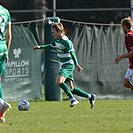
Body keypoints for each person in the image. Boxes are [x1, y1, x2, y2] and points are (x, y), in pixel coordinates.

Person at [34, 22, 96, 108]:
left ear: (59, 32)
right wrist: (40, 47)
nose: (52, 34)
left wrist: (76, 64)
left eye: (53, 32)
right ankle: (90, 96)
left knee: (59, 81)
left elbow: (73, 53)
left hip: (68, 65)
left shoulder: (66, 41)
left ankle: (73, 99)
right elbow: (51, 46)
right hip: (63, 65)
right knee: (71, 89)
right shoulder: (56, 40)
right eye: (51, 32)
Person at [0, 4, 12, 122]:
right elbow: (9, 35)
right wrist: (7, 53)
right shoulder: (5, 11)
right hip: (3, 47)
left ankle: (1, 104)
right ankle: (0, 115)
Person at [115, 17, 133, 92]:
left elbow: (132, 53)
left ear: (125, 27)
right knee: (126, 83)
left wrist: (121, 57)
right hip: (131, 65)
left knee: (132, 86)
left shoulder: (129, 36)